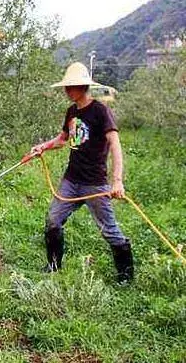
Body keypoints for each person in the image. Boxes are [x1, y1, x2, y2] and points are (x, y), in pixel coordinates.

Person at [28, 62, 133, 283]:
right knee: (53, 220)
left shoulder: (100, 111)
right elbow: (63, 139)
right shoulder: (72, 111)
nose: (67, 91)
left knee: (109, 231)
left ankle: (126, 276)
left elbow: (115, 144)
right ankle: (54, 265)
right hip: (71, 180)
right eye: (66, 86)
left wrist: (117, 181)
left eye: (71, 86)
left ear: (82, 86)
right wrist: (43, 147)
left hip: (94, 183)